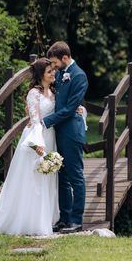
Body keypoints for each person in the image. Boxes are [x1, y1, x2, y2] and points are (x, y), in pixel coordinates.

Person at [0, 58, 60, 235]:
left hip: (50, 136)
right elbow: (35, 119)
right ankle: (29, 221)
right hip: (36, 138)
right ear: (40, 75)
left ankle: (44, 218)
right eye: (49, 72)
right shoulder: (33, 94)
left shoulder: (53, 91)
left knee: (47, 177)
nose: (53, 73)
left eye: (53, 70)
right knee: (33, 177)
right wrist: (38, 144)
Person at [42, 41, 88, 234]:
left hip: (72, 132)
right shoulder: (60, 73)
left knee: (75, 176)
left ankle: (77, 221)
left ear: (65, 58)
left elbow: (70, 108)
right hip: (59, 132)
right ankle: (65, 218)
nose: (53, 67)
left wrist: (46, 120)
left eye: (54, 62)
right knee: (62, 177)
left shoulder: (79, 76)